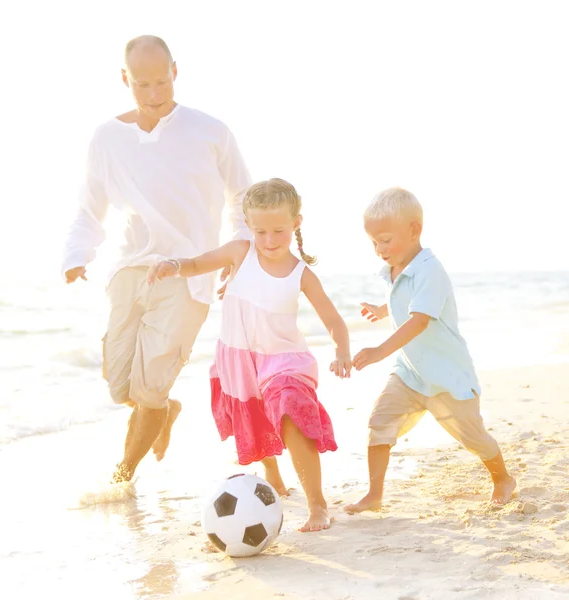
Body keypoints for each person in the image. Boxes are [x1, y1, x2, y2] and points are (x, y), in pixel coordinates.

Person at [62, 35, 252, 483]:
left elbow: (243, 195)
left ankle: (123, 475)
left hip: (190, 272)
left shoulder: (210, 130)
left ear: (175, 72)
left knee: (147, 390)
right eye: (142, 85)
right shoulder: (107, 138)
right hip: (130, 268)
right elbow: (91, 206)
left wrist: (237, 250)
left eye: (161, 83)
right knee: (118, 385)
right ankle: (166, 409)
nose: (153, 95)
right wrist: (76, 253)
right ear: (124, 79)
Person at [148, 178, 351, 531]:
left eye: (279, 231)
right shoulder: (240, 252)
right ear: (249, 228)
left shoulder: (301, 273)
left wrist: (342, 349)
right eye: (261, 232)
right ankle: (274, 475)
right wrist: (174, 265)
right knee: (257, 420)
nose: (270, 241)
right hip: (240, 359)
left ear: (296, 223)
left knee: (289, 412)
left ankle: (318, 506)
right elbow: (197, 264)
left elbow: (332, 317)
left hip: (284, 360)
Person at [344, 187, 516, 513]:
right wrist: (382, 310)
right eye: (373, 243)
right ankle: (374, 494)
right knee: (379, 421)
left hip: (445, 375)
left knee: (474, 436)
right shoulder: (397, 267)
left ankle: (502, 478)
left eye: (385, 240)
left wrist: (379, 350)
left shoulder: (430, 269)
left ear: (414, 231)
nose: (379, 249)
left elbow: (419, 320)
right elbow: (406, 298)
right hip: (410, 371)